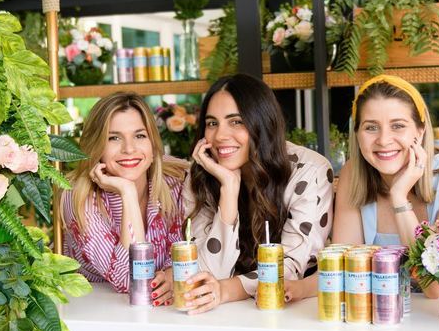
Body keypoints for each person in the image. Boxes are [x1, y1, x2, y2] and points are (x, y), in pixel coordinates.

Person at [285, 75, 439, 301]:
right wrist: (295, 289)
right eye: (371, 127)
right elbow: (344, 269)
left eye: (398, 126)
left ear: (420, 131)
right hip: (375, 320)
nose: (384, 140)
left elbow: (436, 287)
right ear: (357, 134)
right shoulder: (353, 174)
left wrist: (399, 198)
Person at [182, 73, 334, 314]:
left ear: (262, 122)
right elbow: (206, 272)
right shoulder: (202, 174)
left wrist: (224, 290)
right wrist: (228, 189)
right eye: (212, 123)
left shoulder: (309, 170)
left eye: (236, 121)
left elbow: (289, 266)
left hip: (294, 312)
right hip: (222, 313)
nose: (220, 135)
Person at [61, 92, 187, 306]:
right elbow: (132, 280)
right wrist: (126, 192)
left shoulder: (173, 179)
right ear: (97, 146)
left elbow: (196, 252)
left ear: (152, 142)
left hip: (160, 314)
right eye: (114, 138)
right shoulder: (78, 196)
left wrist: (170, 273)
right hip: (95, 316)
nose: (129, 149)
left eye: (139, 136)